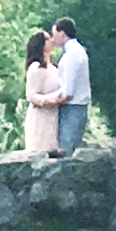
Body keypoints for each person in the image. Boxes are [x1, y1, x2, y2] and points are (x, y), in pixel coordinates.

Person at [48, 15, 90, 154]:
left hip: (72, 108)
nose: (53, 39)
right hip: (75, 107)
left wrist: (47, 100)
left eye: (54, 35)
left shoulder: (73, 55)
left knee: (66, 150)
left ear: (62, 33)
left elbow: (67, 90)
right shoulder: (76, 52)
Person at [22, 28, 66, 156]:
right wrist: (48, 101)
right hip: (40, 117)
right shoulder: (36, 67)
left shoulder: (53, 67)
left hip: (53, 116)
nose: (51, 41)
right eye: (47, 39)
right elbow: (31, 95)